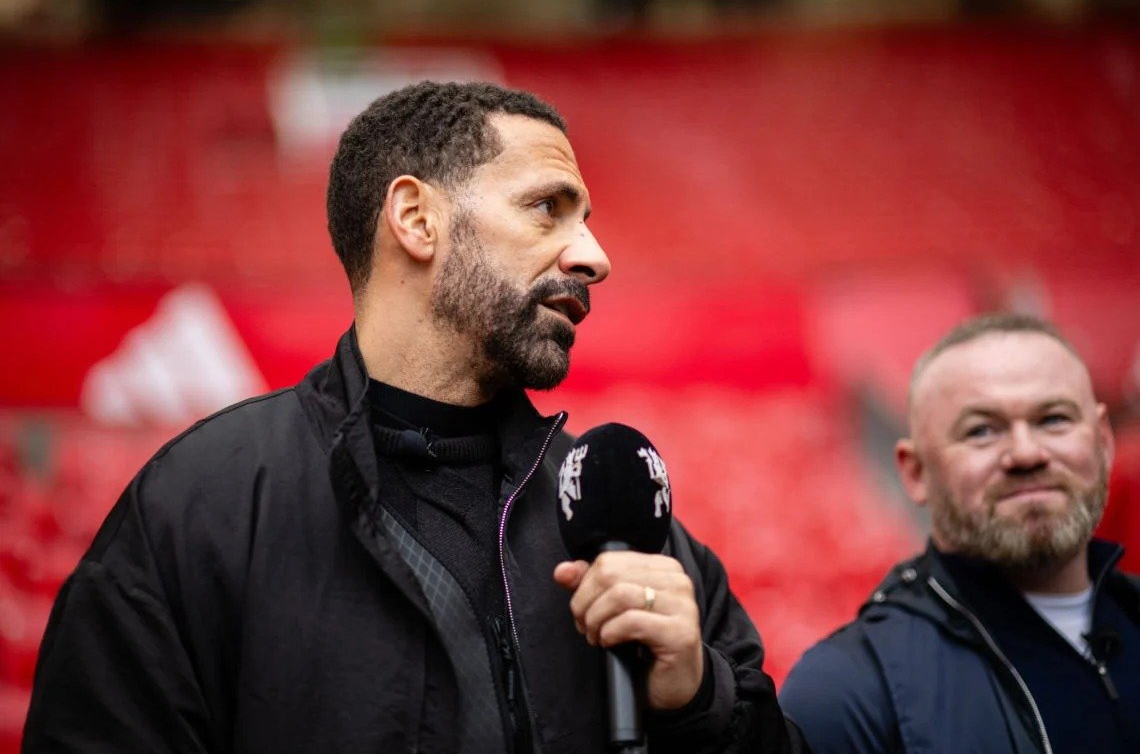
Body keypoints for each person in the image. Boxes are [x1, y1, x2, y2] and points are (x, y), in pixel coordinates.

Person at [23, 81, 801, 753]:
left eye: (585, 219)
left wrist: (700, 704)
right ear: (417, 219)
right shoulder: (199, 510)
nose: (594, 256)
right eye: (547, 209)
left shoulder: (621, 516)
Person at [780, 313, 1140, 753]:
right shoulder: (847, 694)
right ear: (915, 472)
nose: (1026, 453)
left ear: (1104, 442)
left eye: (1054, 419)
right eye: (982, 430)